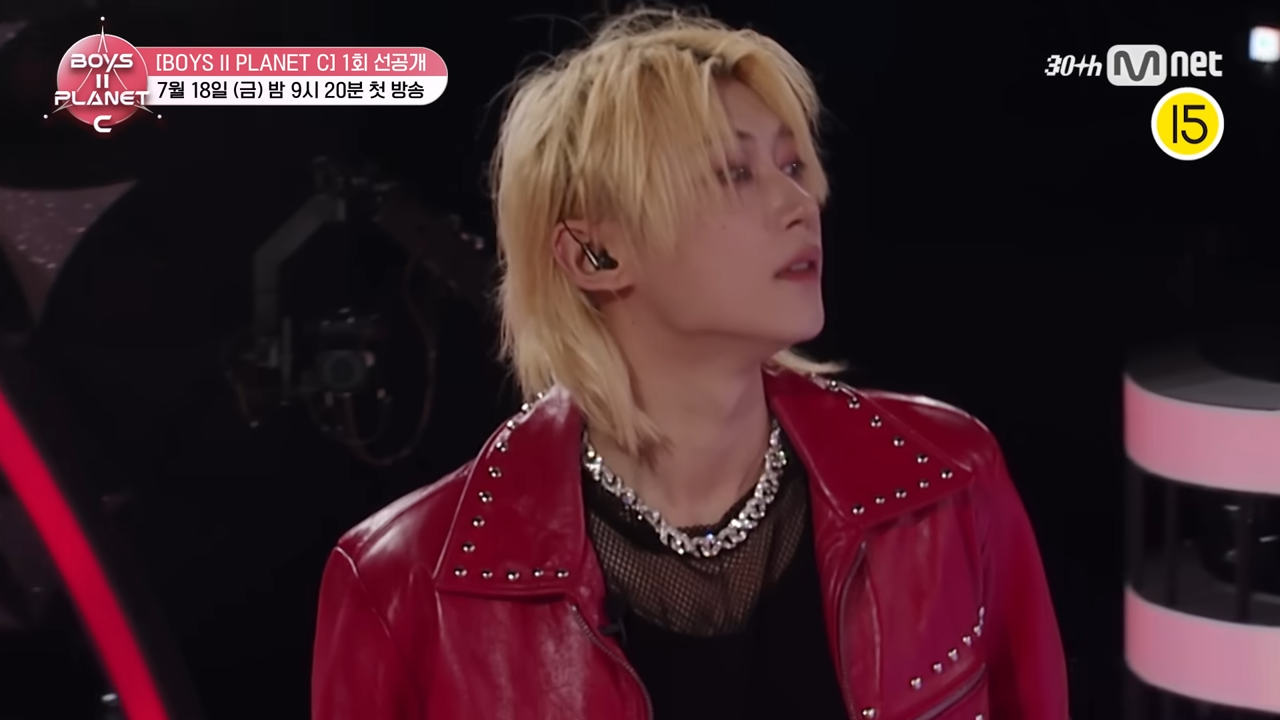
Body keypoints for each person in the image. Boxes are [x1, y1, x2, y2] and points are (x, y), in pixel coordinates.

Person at [311, 7, 1068, 720]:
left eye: (792, 165)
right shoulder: (401, 584)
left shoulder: (949, 479)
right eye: (733, 173)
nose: (799, 203)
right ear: (594, 254)